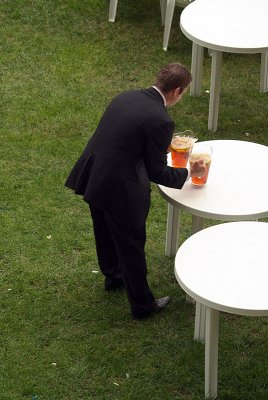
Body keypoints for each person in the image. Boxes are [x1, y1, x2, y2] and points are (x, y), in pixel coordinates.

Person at [65, 63, 206, 320]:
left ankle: (113, 277)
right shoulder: (162, 120)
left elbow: (124, 137)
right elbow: (157, 173)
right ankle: (142, 306)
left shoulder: (126, 96)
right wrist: (191, 173)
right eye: (183, 93)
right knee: (131, 246)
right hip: (120, 189)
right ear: (177, 90)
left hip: (94, 176)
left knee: (104, 231)